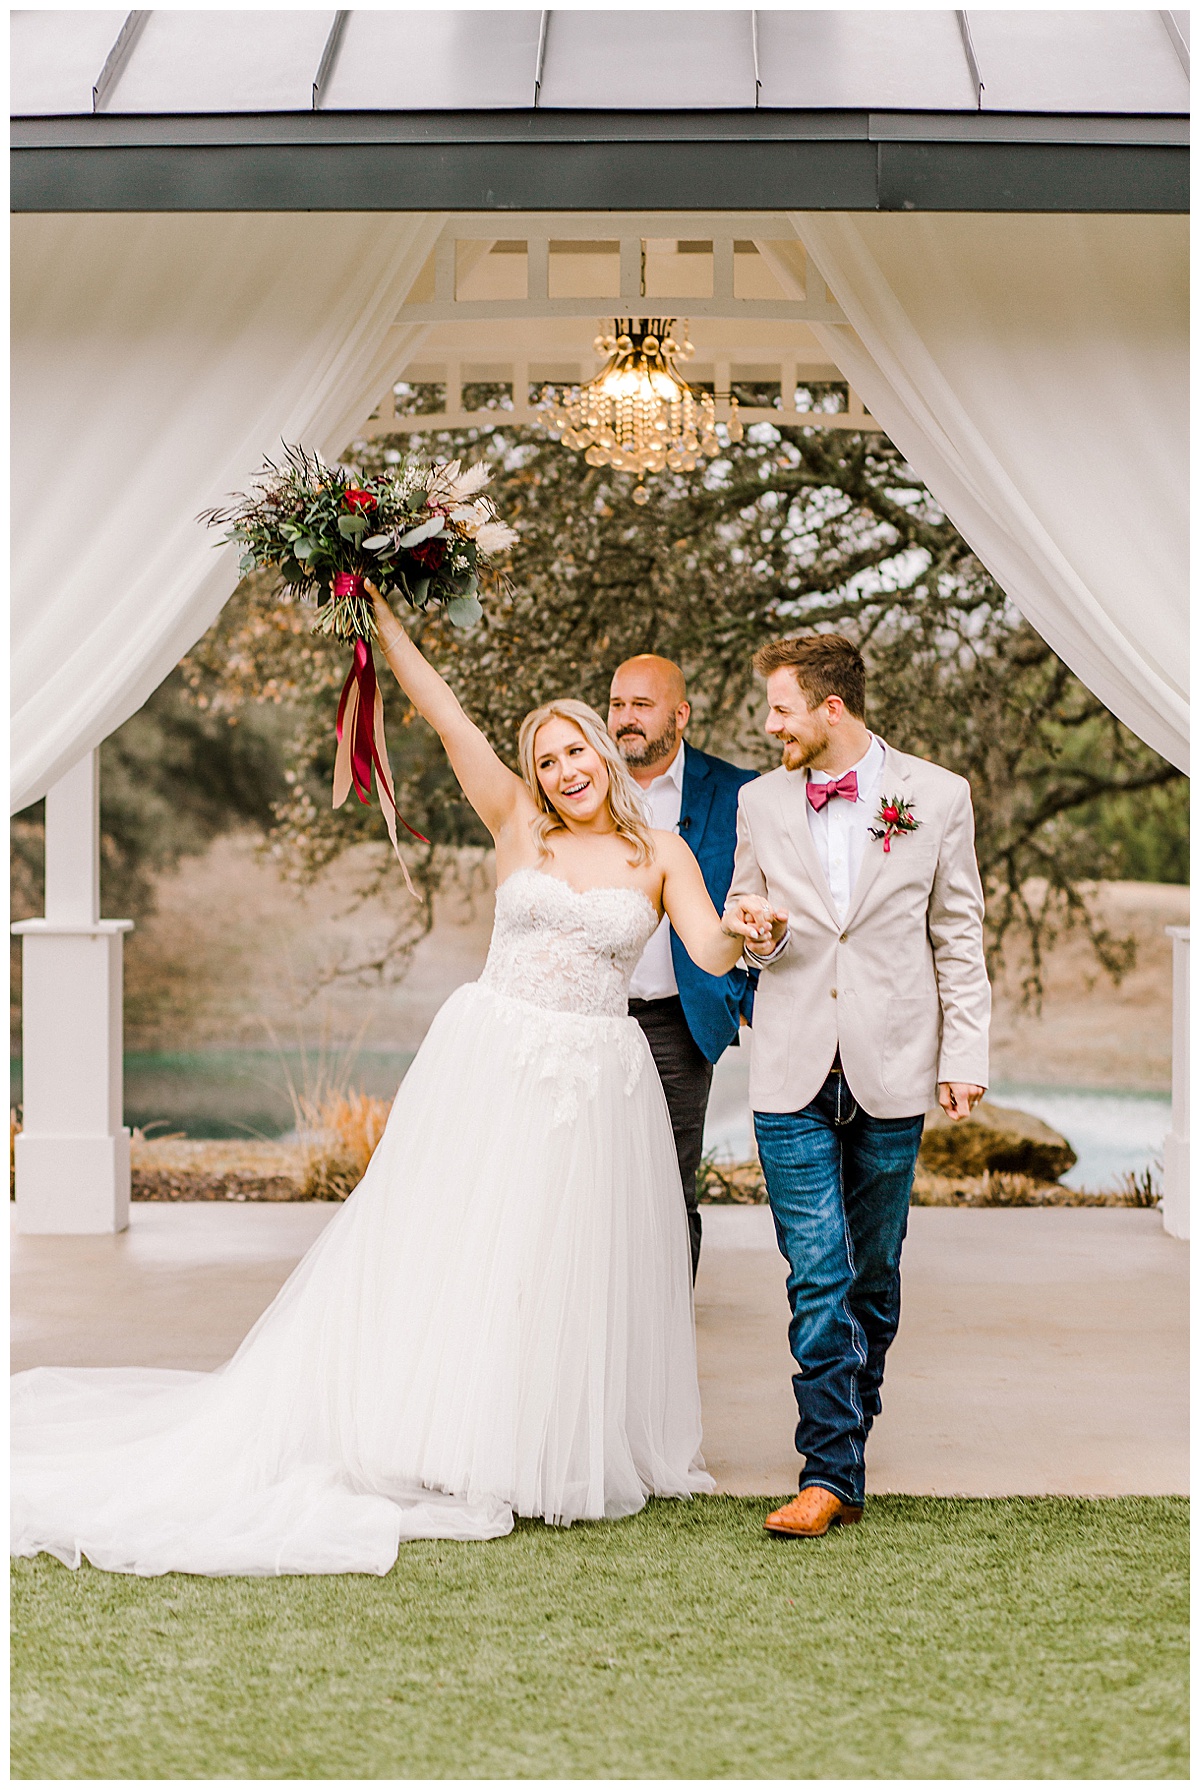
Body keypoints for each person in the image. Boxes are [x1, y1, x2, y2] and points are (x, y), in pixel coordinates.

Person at [11, 587, 776, 1578]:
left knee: (560, 1261)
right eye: (547, 760)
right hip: (493, 1058)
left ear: (603, 748)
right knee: (459, 1244)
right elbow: (444, 713)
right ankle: (436, 1435)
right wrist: (379, 616)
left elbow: (709, 949)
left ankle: (535, 1446)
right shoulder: (518, 823)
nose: (565, 771)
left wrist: (753, 932)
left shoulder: (659, 853)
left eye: (575, 752)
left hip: (597, 1079)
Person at [725, 633, 990, 1540]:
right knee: (818, 1276)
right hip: (790, 1068)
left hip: (894, 1063)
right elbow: (747, 919)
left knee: (872, 1278)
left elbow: (957, 934)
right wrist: (757, 934)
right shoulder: (759, 802)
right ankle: (827, 1471)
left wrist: (963, 1056)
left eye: (781, 709)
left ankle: (847, 1437)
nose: (771, 726)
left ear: (829, 708)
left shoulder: (937, 795)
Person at [608, 655, 757, 1280]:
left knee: (670, 1186)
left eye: (642, 706)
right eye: (617, 704)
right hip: (593, 1016)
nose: (626, 719)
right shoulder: (585, 787)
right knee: (589, 1178)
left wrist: (741, 997)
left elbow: (767, 896)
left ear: (680, 714)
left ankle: (666, 1318)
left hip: (680, 1023)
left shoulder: (740, 794)